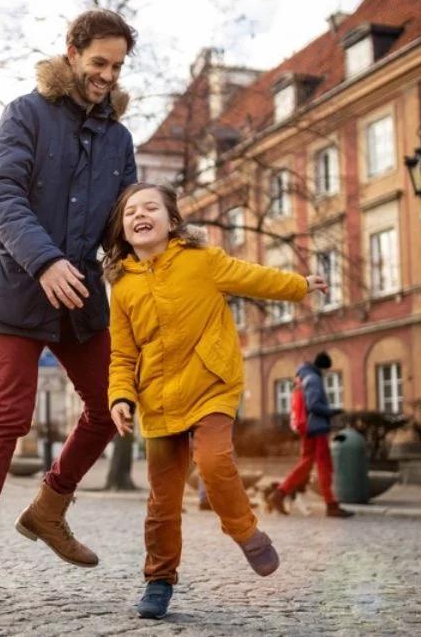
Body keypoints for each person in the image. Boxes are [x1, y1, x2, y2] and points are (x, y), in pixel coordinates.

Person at [0, 8, 138, 609]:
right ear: (71, 52)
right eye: (98, 63)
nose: (106, 76)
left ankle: (49, 507)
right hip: (19, 286)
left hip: (81, 295)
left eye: (116, 66)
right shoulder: (24, 114)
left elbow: (121, 223)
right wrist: (45, 260)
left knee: (110, 406)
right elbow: (1, 194)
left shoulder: (118, 137)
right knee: (10, 416)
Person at [104, 183, 329, 619]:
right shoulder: (123, 288)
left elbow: (253, 276)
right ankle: (158, 580)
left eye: (151, 207)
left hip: (211, 383)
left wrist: (298, 284)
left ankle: (245, 531)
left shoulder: (202, 261)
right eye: (131, 211)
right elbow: (122, 352)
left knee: (212, 461)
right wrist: (120, 396)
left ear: (172, 223)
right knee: (161, 501)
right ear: (123, 229)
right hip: (159, 397)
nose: (140, 214)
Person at [265, 352, 353, 518]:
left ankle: (279, 494)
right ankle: (331, 505)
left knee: (305, 465)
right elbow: (313, 405)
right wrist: (332, 411)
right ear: (324, 367)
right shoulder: (313, 379)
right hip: (317, 428)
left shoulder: (303, 377)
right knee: (324, 466)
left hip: (308, 428)